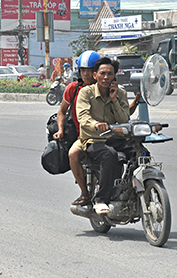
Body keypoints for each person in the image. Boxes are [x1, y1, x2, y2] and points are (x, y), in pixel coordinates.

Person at [77, 57, 130, 214]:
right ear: (95, 75)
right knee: (110, 155)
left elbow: (124, 119)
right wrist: (95, 124)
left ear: (115, 76)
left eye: (110, 74)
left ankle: (134, 189)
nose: (106, 77)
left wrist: (114, 100)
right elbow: (83, 116)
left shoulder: (120, 94)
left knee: (140, 152)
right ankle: (101, 199)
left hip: (116, 138)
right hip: (94, 139)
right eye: (102, 73)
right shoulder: (85, 93)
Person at [53, 50, 101, 206]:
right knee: (73, 154)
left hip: (109, 134)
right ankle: (85, 194)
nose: (86, 74)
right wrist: (60, 130)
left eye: (90, 70)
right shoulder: (73, 88)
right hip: (85, 136)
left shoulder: (106, 86)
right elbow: (61, 112)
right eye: (83, 70)